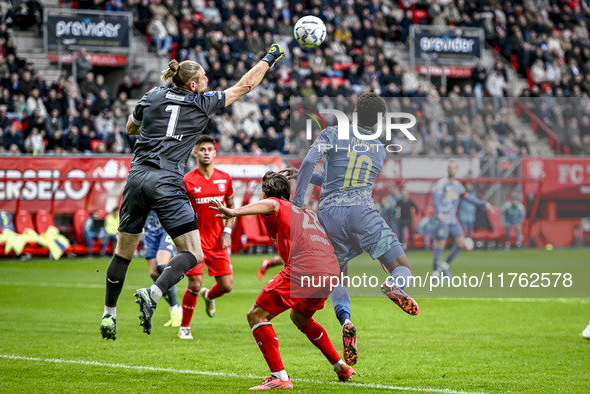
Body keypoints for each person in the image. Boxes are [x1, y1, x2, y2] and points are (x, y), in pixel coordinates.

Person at [100, 44, 286, 340]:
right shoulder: (202, 102)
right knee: (193, 252)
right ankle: (154, 292)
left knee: (123, 253)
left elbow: (130, 129)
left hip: (136, 176)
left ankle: (109, 315)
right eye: (204, 79)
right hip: (167, 179)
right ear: (192, 84)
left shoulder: (152, 95)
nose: (208, 82)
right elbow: (246, 85)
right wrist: (269, 58)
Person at [289, 93, 420, 368]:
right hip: (363, 213)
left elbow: (321, 170)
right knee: (402, 266)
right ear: (379, 119)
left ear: (355, 113)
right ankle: (394, 285)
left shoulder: (332, 133)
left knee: (338, 277)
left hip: (329, 217)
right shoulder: (380, 149)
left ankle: (346, 319)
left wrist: (298, 202)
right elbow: (350, 180)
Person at [210, 171, 355, 390]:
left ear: (267, 194)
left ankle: (279, 377)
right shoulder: (305, 213)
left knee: (256, 315)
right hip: (330, 270)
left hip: (306, 269)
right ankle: (341, 367)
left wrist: (233, 211)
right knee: (300, 318)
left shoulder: (277, 205)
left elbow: (272, 205)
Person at [178, 135, 236, 340]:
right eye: (202, 149)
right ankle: (185, 327)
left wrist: (227, 232)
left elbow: (231, 209)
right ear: (195, 152)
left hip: (218, 239)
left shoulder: (225, 178)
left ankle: (209, 295)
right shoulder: (187, 180)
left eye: (209, 149)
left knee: (226, 286)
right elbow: (179, 211)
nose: (206, 153)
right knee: (194, 283)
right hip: (195, 241)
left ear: (214, 152)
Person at [432, 161, 493, 279]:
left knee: (461, 243)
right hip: (443, 218)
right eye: (450, 167)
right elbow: (437, 198)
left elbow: (468, 198)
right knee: (441, 244)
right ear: (447, 169)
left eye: (453, 168)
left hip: (452, 219)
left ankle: (444, 265)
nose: (451, 169)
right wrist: (439, 212)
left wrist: (483, 203)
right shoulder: (442, 183)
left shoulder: (458, 186)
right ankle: (435, 272)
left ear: (456, 170)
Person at [143, 211, 182, 327]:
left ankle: (174, 308)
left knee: (162, 265)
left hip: (167, 228)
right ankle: (176, 306)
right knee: (154, 274)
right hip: (150, 231)